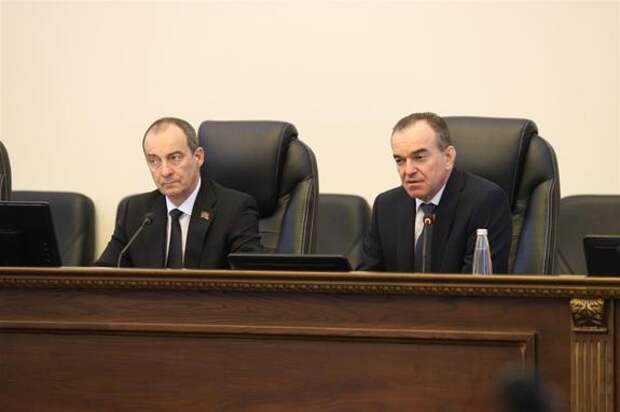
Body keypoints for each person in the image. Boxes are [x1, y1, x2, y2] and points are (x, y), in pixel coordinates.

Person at [96, 117, 261, 268]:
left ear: (198, 157)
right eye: (154, 161)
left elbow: (250, 278)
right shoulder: (134, 212)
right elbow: (103, 274)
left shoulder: (234, 209)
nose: (165, 171)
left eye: (174, 158)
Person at [358, 112, 512, 273]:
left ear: (448, 157)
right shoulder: (386, 206)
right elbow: (367, 278)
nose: (408, 170)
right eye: (400, 160)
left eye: (419, 157)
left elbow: (476, 283)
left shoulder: (485, 201)